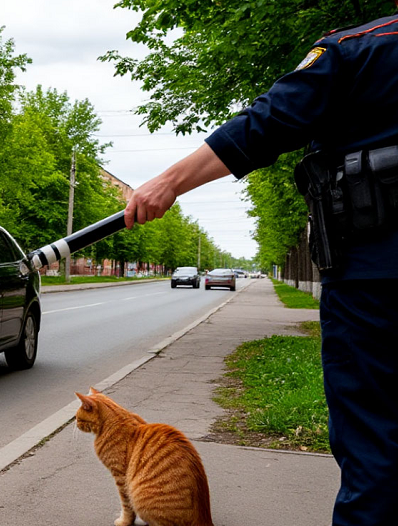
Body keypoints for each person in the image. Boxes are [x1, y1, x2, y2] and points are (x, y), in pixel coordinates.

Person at [123, 9, 398, 526]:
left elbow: (265, 124)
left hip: (374, 283)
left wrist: (169, 182)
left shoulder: (357, 49)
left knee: (375, 448)